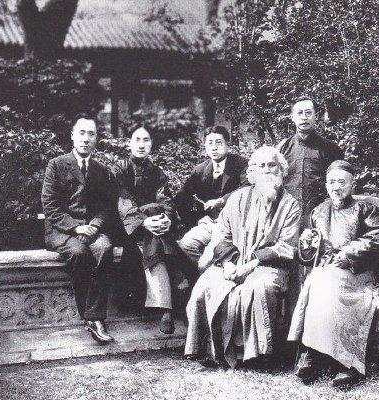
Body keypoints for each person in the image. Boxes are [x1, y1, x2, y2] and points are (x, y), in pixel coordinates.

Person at [184, 146, 301, 368]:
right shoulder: (237, 198)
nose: (267, 170)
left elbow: (287, 245)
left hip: (268, 266)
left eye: (272, 165)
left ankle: (256, 354)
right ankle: (210, 350)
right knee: (207, 285)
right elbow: (221, 234)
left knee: (257, 288)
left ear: (282, 170)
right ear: (252, 172)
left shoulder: (290, 205)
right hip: (232, 261)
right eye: (261, 166)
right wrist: (228, 263)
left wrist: (251, 264)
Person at [288, 160, 379, 387]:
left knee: (329, 286)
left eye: (342, 182)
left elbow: (378, 239)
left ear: (352, 184)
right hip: (325, 271)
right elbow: (309, 254)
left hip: (357, 272)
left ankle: (346, 363)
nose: (336, 187)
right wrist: (308, 244)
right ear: (326, 185)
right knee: (316, 282)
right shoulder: (318, 211)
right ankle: (311, 352)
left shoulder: (366, 209)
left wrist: (347, 254)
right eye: (332, 182)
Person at [41, 117, 116, 343]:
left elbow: (106, 206)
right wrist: (76, 227)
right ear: (72, 136)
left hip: (92, 229)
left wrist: (94, 226)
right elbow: (50, 205)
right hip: (62, 230)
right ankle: (91, 317)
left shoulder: (101, 169)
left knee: (104, 248)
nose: (86, 139)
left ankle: (95, 317)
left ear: (96, 139)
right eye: (81, 133)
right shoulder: (56, 165)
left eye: (91, 134)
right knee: (78, 253)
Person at [114, 126, 186, 334]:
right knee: (153, 230)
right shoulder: (119, 170)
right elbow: (123, 203)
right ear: (129, 143)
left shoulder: (157, 172)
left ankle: (166, 306)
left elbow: (166, 200)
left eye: (146, 140)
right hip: (127, 228)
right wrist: (145, 220)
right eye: (137, 139)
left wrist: (166, 219)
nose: (141, 144)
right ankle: (171, 300)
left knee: (155, 231)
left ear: (151, 144)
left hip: (155, 229)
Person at [176, 125, 248, 264]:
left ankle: (210, 270)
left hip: (233, 225)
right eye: (210, 143)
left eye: (219, 143)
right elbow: (182, 198)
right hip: (209, 223)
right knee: (185, 245)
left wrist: (222, 200)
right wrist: (194, 221)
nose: (214, 147)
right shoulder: (200, 170)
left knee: (210, 257)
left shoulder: (241, 164)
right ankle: (201, 272)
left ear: (228, 144)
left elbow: (246, 189)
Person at [278, 96, 343, 228]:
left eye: (308, 113)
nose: (304, 117)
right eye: (300, 113)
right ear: (292, 117)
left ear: (315, 116)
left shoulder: (331, 149)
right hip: (288, 216)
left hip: (321, 216)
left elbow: (340, 185)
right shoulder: (282, 148)